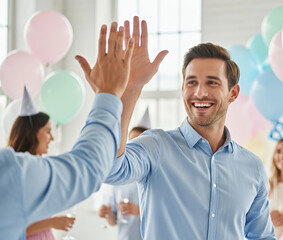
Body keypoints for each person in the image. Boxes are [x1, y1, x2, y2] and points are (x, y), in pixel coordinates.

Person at [104, 16, 275, 239]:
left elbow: (263, 237)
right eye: (192, 82)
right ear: (183, 88)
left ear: (233, 93)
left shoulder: (252, 167)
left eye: (212, 82)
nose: (200, 93)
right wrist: (132, 88)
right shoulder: (156, 146)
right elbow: (109, 169)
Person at [0, 20, 165, 240]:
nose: (52, 137)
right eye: (47, 130)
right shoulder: (12, 173)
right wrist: (110, 93)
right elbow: (90, 168)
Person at [7, 88, 75, 240]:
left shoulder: (40, 169)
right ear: (30, 133)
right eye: (47, 131)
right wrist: (52, 222)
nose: (52, 138)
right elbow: (11, 229)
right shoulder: (15, 172)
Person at [99, 116, 150, 240]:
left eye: (138, 142)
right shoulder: (120, 178)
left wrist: (138, 211)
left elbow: (167, 218)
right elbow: (114, 220)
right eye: (131, 141)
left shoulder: (156, 178)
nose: (133, 148)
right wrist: (108, 214)